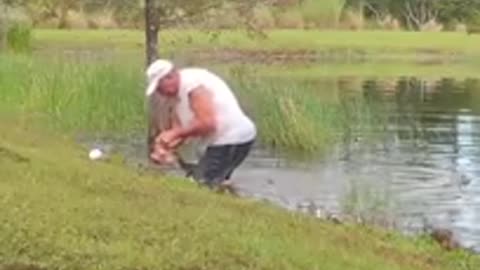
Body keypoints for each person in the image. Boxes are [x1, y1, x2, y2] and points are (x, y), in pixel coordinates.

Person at [145, 59, 256, 191]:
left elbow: (208, 124)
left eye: (159, 87)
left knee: (200, 186)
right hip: (233, 138)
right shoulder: (178, 93)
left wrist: (175, 134)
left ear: (170, 77)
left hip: (230, 138)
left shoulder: (193, 85)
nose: (159, 92)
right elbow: (183, 128)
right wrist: (165, 145)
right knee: (217, 181)